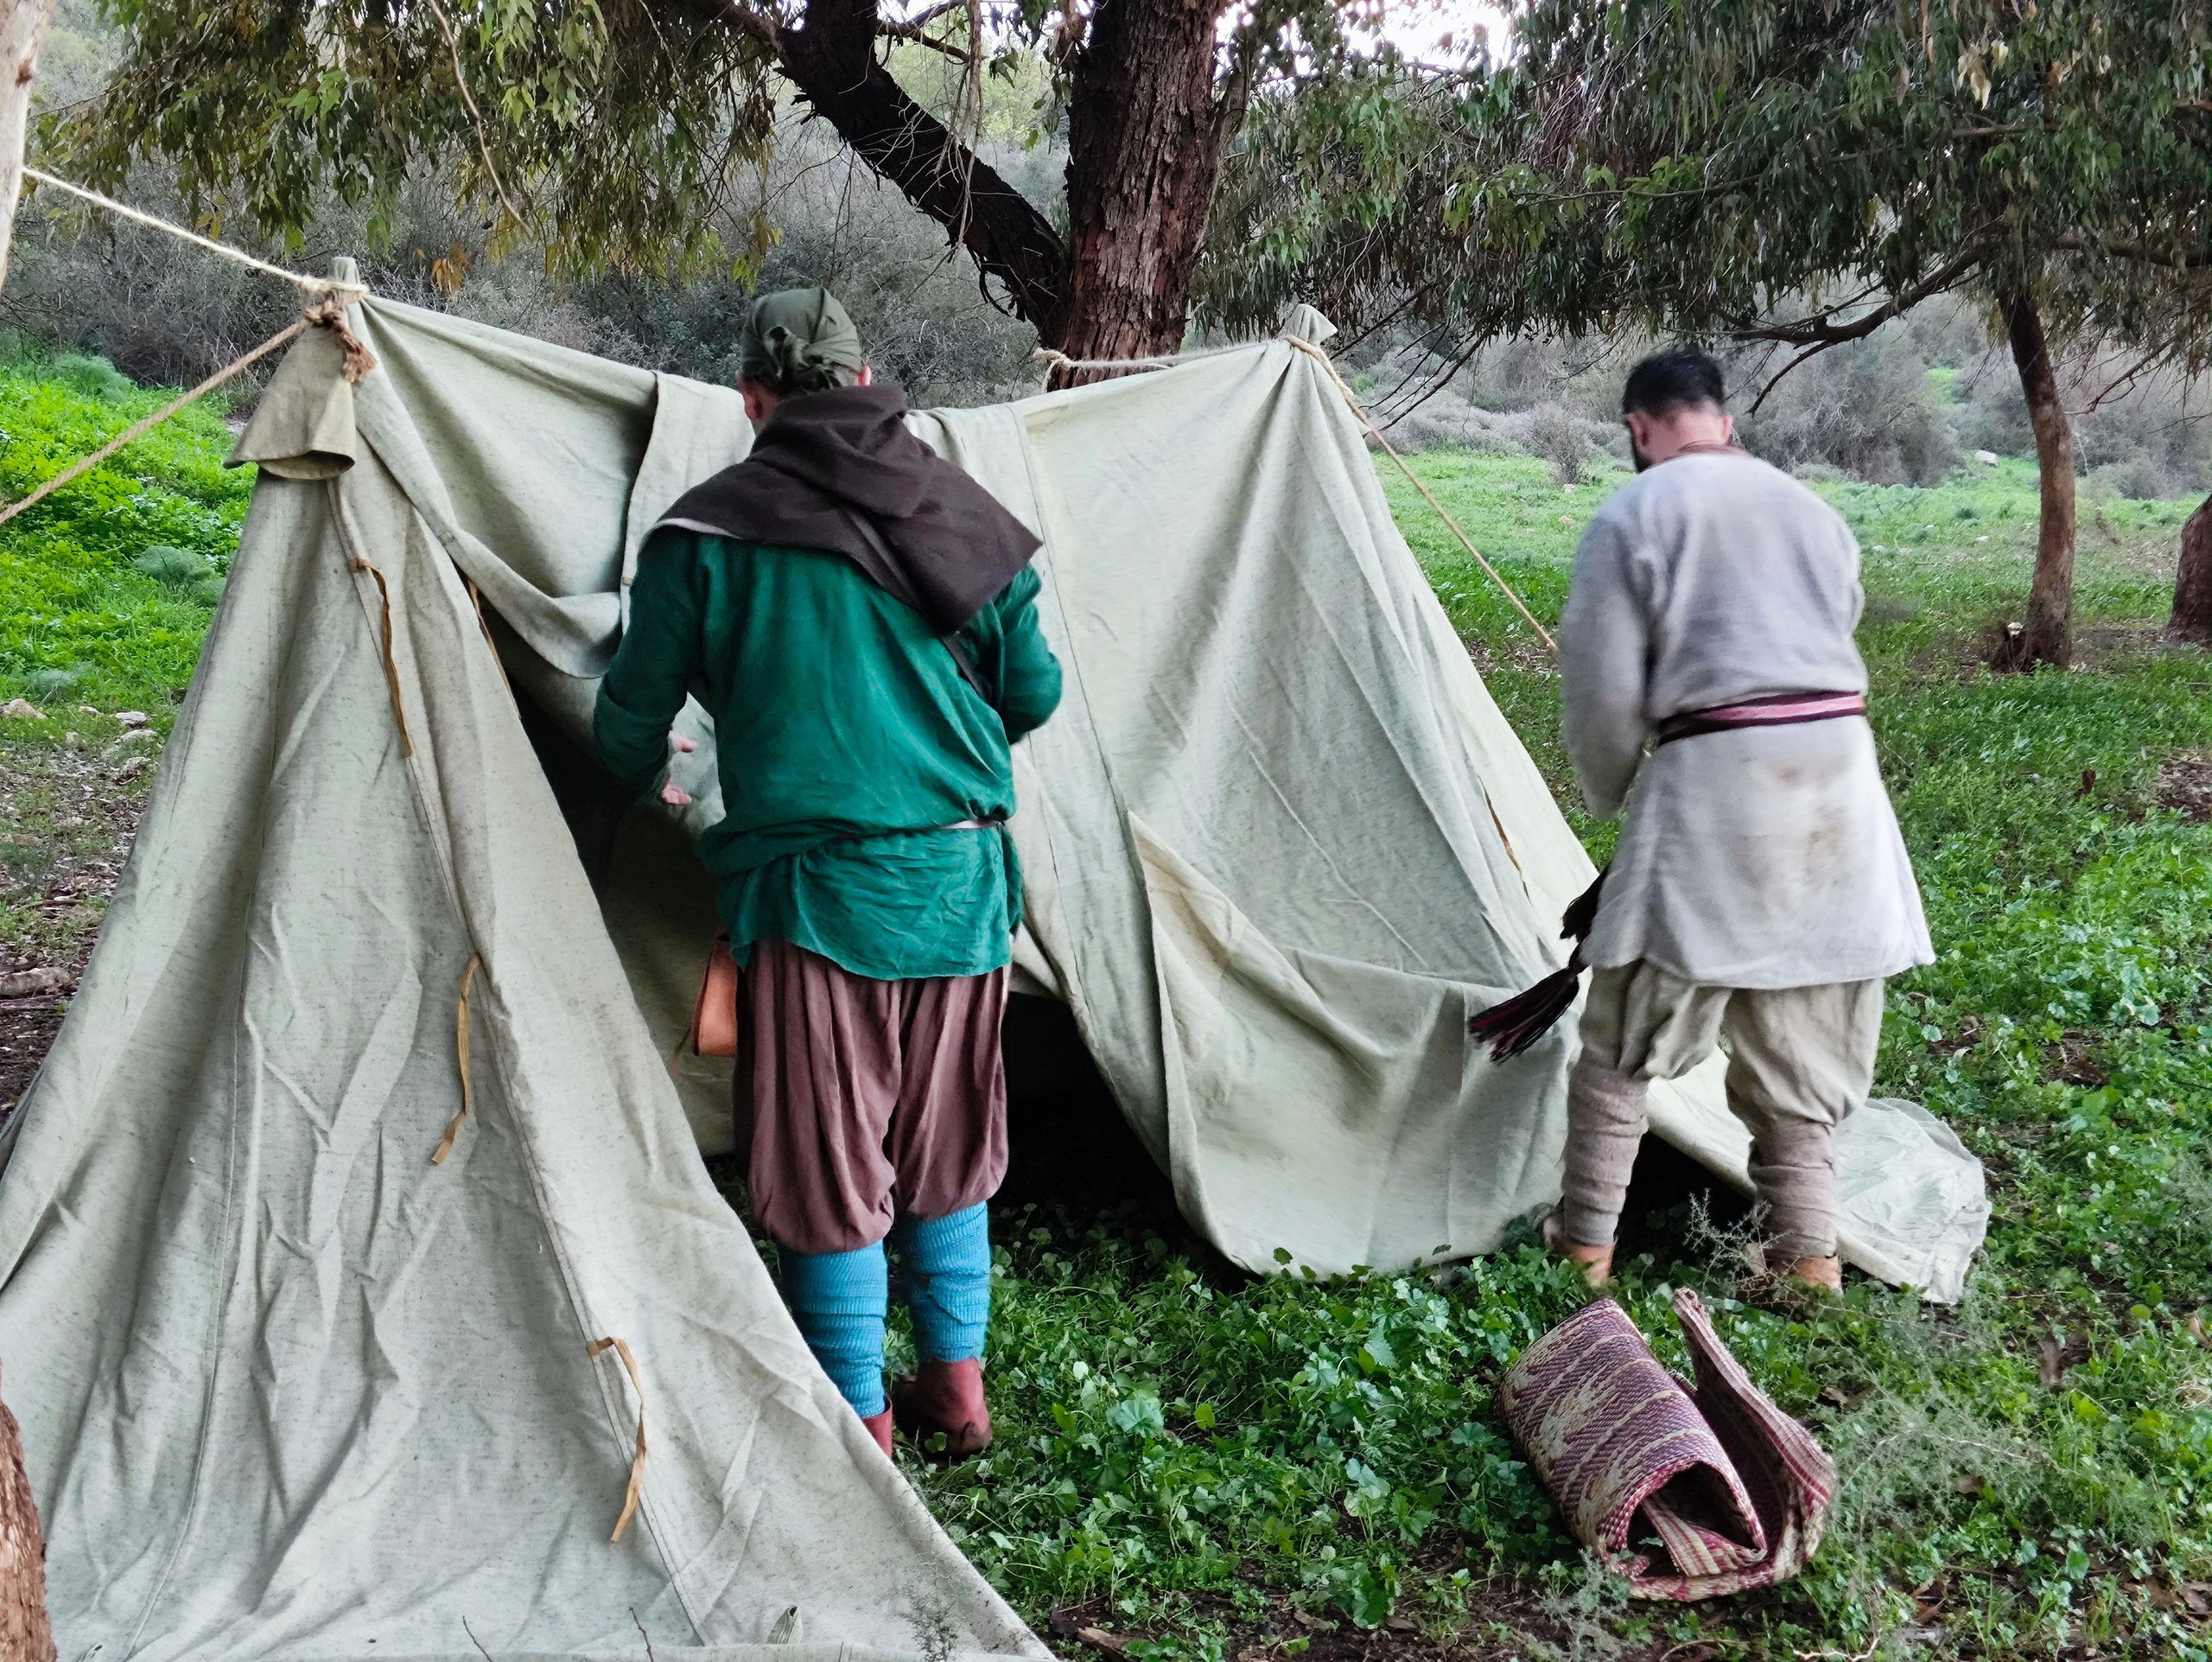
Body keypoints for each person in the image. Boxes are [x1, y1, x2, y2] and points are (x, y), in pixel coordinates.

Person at [594, 287, 1063, 1457]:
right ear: (864, 382)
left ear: (753, 400)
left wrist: (676, 764)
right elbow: (1034, 695)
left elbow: (623, 727)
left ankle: (858, 1420)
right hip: (960, 893)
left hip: (811, 902)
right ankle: (958, 1392)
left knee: (826, 1156)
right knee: (950, 1150)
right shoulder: (966, 515)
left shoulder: (703, 537)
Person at [1549, 345, 1932, 1292]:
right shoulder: (1812, 511)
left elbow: (1601, 690)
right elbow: (1831, 628)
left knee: (1624, 1032)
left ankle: (1583, 1253)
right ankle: (1809, 1264)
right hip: (1840, 786)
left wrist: (1608, 798)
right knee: (1803, 1035)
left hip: (1715, 787)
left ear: (1639, 429)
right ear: (1722, 418)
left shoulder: (1633, 510)